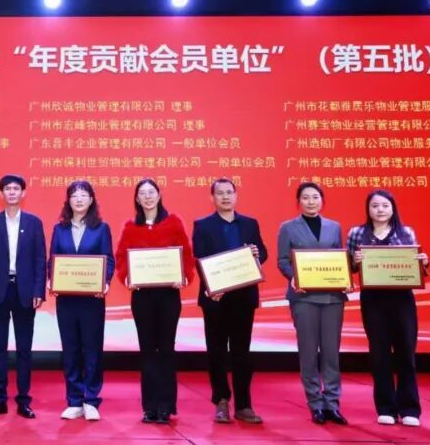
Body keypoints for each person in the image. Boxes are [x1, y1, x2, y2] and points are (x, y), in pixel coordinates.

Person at [347, 189, 429, 427]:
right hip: (373, 300)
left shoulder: (406, 232)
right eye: (374, 206)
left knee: (406, 353)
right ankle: (386, 408)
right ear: (368, 209)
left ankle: (410, 408)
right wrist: (354, 261)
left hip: (402, 298)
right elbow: (349, 266)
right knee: (379, 354)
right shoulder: (357, 233)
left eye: (384, 205)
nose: (380, 210)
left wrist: (424, 262)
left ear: (393, 208)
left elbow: (416, 266)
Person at [115, 178, 194, 424]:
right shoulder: (130, 227)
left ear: (159, 196)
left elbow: (186, 254)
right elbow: (121, 259)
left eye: (152, 192)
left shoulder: (173, 222)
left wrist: (184, 276)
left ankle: (166, 406)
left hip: (168, 296)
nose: (148, 197)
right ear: (137, 199)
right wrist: (127, 278)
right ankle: (149, 407)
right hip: (142, 297)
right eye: (143, 193)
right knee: (148, 350)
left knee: (166, 349)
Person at [192, 178, 268, 425]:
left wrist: (256, 253)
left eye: (229, 192)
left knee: (241, 352)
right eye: (220, 193)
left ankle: (244, 405)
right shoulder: (202, 225)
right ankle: (221, 401)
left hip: (243, 297)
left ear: (236, 196)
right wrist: (211, 286)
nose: (225, 197)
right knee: (216, 352)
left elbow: (263, 252)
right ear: (212, 198)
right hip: (216, 298)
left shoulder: (249, 223)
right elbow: (199, 258)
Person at [277, 181, 348, 425]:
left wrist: (344, 278)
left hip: (332, 298)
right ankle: (315, 403)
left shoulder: (334, 227)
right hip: (303, 298)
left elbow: (339, 259)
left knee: (331, 352)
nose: (310, 201)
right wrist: (294, 276)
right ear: (298, 202)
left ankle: (332, 403)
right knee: (308, 352)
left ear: (322, 200)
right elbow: (283, 260)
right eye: (305, 197)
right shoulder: (288, 227)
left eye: (315, 197)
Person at [0, 174, 46, 419]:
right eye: (7, 189)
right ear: (1, 194)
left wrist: (38, 291)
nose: (11, 192)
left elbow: (40, 259)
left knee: (24, 349)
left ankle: (23, 400)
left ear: (23, 193)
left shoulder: (34, 222)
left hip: (25, 292)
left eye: (16, 188)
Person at [49, 180, 115, 421]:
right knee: (71, 349)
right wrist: (51, 279)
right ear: (68, 200)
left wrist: (105, 282)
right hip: (66, 299)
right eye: (74, 195)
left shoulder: (101, 228)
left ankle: (91, 399)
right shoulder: (60, 229)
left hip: (92, 299)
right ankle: (74, 400)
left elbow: (108, 259)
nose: (79, 199)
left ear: (91, 200)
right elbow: (52, 259)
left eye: (83, 195)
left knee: (92, 348)